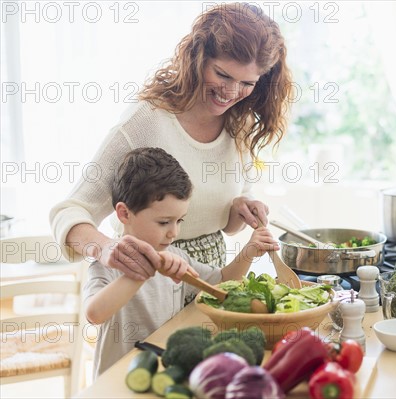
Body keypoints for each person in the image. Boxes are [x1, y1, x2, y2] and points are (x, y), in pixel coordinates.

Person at [49, 2, 293, 280]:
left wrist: (240, 206)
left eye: (247, 83)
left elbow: (228, 227)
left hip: (209, 281)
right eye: (223, 75)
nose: (231, 92)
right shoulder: (147, 120)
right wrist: (106, 248)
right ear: (197, 59)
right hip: (145, 283)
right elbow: (69, 212)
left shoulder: (240, 124)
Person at [84, 147, 278, 378]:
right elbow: (94, 314)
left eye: (179, 221)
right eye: (164, 222)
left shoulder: (177, 257)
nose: (174, 232)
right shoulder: (107, 264)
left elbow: (222, 282)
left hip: (163, 372)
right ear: (125, 214)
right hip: (117, 379)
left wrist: (249, 251)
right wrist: (143, 271)